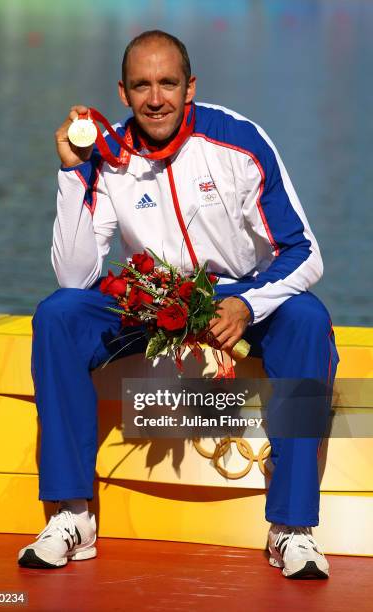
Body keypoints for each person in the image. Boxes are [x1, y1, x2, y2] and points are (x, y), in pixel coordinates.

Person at [18, 30, 338, 578]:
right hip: (151, 300)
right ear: (123, 91)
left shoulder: (237, 141)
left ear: (191, 87)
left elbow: (304, 252)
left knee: (307, 321)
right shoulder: (109, 155)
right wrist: (74, 171)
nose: (156, 98)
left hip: (239, 293)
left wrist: (249, 306)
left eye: (168, 83)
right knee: (59, 315)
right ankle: (72, 516)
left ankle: (291, 528)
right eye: (142, 85)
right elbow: (75, 276)